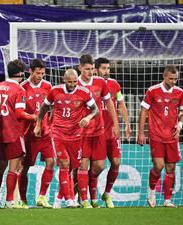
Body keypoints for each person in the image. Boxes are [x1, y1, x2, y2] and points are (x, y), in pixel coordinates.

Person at [34, 68, 99, 208]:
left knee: (71, 168)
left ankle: (58, 200)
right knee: (64, 164)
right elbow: (44, 107)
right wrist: (39, 124)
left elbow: (95, 109)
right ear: (64, 80)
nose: (72, 84)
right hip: (57, 133)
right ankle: (69, 200)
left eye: (75, 81)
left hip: (75, 135)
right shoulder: (55, 91)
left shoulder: (84, 93)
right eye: (69, 82)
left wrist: (88, 117)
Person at [137, 65, 183, 208]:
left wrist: (180, 123)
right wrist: (141, 132)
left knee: (171, 167)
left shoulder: (180, 92)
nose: (173, 82)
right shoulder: (152, 91)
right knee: (158, 166)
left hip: (172, 136)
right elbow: (144, 112)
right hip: (156, 135)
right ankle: (151, 191)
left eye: (176, 79)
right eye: (171, 79)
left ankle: (167, 200)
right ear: (164, 77)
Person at [0, 59, 36, 209]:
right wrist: (32, 116)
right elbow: (19, 113)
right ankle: (10, 201)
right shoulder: (19, 90)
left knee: (1, 166)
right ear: (21, 73)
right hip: (13, 132)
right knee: (14, 168)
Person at [77, 54, 120, 208]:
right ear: (80, 68)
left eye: (91, 69)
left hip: (99, 130)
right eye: (86, 69)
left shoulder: (100, 82)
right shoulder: (75, 84)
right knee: (83, 164)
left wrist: (116, 125)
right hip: (82, 132)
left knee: (99, 166)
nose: (89, 72)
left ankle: (86, 189)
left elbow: (109, 103)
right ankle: (86, 199)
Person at [95, 57, 131, 208]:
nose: (106, 71)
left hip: (111, 131)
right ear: (96, 69)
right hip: (96, 131)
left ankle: (107, 193)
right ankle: (85, 190)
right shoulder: (91, 84)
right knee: (98, 167)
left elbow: (121, 103)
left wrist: (127, 124)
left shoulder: (114, 84)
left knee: (116, 162)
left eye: (108, 68)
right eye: (103, 68)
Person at [19, 59, 55, 208]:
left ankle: (42, 196)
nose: (41, 75)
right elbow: (19, 112)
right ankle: (22, 200)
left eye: (42, 73)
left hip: (45, 134)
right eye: (38, 73)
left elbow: (53, 109)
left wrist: (51, 126)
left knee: (51, 161)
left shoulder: (48, 86)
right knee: (24, 167)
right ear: (30, 71)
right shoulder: (22, 87)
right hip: (29, 135)